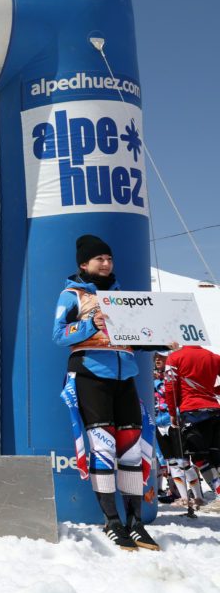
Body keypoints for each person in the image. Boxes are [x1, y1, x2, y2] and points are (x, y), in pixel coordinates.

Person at [52, 235, 164, 551]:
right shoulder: (71, 295)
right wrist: (91, 323)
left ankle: (136, 523)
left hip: (125, 376)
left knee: (130, 450)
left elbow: (136, 338)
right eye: (99, 259)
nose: (106, 263)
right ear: (83, 264)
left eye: (109, 259)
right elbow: (58, 335)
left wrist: (162, 340)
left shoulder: (121, 297)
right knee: (103, 447)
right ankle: (112, 521)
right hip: (91, 375)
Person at [165, 343, 220, 499]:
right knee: (216, 457)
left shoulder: (174, 357)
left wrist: (172, 412)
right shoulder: (214, 357)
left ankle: (219, 491)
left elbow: (170, 387)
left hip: (192, 412)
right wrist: (211, 391)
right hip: (214, 411)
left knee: (199, 458)